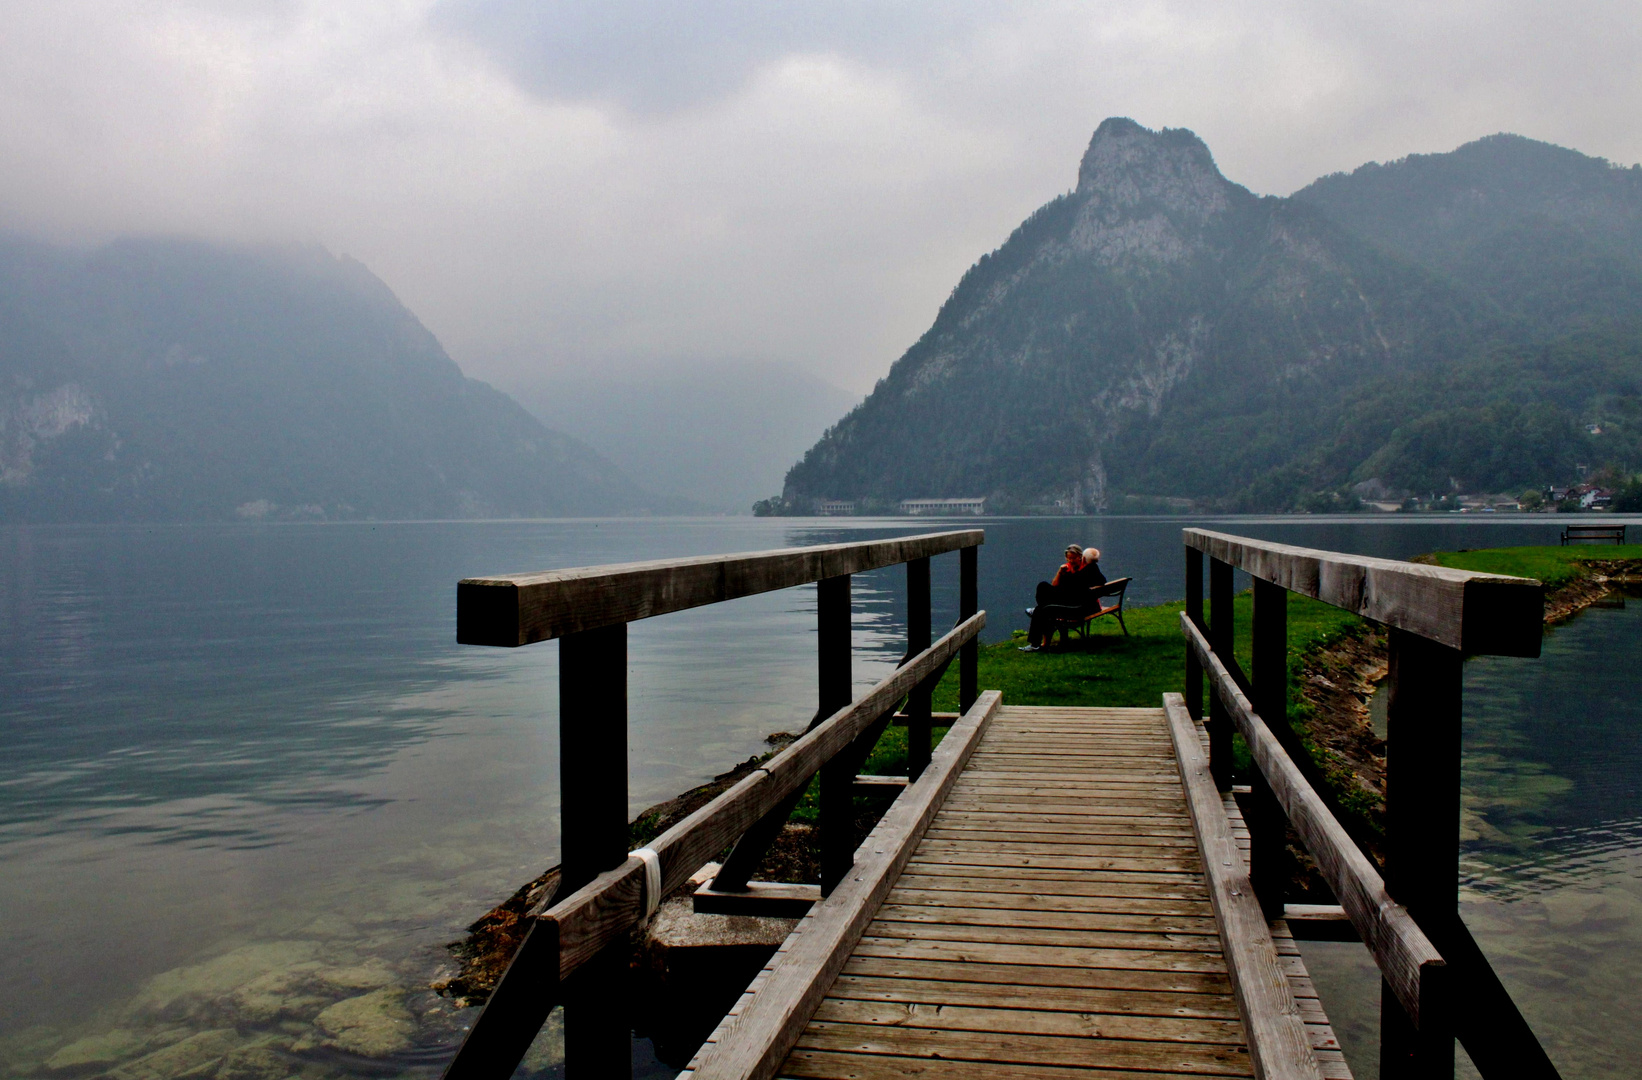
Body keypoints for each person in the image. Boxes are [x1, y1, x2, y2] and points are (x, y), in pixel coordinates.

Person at [1020, 544, 1107, 651]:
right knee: (1043, 600)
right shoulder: (1087, 569)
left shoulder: (1084, 571)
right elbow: (1056, 585)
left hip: (1076, 607)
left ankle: (1034, 644)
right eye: (1069, 558)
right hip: (1075, 603)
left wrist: (1065, 575)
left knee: (1042, 601)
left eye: (1073, 558)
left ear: (1082, 557)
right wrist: (1060, 573)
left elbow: (1066, 587)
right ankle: (1036, 640)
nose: (1070, 560)